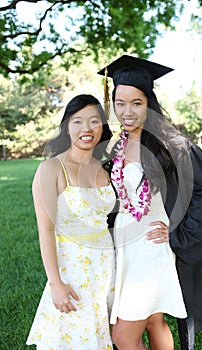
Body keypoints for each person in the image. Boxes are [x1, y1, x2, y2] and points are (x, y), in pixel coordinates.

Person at [98, 55, 202, 350]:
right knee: (154, 321)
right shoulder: (120, 144)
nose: (127, 111)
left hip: (152, 248)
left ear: (149, 103)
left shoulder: (173, 145)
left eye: (136, 103)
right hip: (126, 244)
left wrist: (179, 234)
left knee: (122, 337)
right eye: (120, 103)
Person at [26, 94, 116, 349]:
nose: (86, 129)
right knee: (76, 336)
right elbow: (45, 229)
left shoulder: (105, 168)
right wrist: (56, 283)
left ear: (102, 126)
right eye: (77, 121)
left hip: (106, 267)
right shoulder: (52, 169)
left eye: (94, 121)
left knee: (103, 336)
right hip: (73, 270)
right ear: (67, 126)